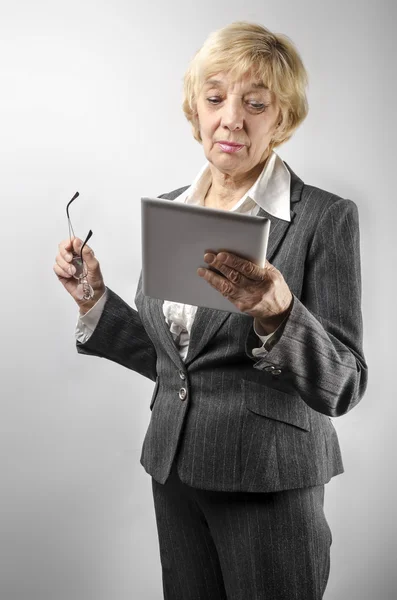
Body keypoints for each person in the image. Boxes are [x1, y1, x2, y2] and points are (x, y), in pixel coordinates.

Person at [54, 21, 368, 600]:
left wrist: (279, 313)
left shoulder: (325, 218)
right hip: (175, 472)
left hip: (269, 483)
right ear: (194, 108)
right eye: (215, 97)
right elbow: (176, 361)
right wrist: (96, 300)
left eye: (255, 103)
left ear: (283, 116)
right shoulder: (176, 209)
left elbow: (345, 385)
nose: (231, 119)